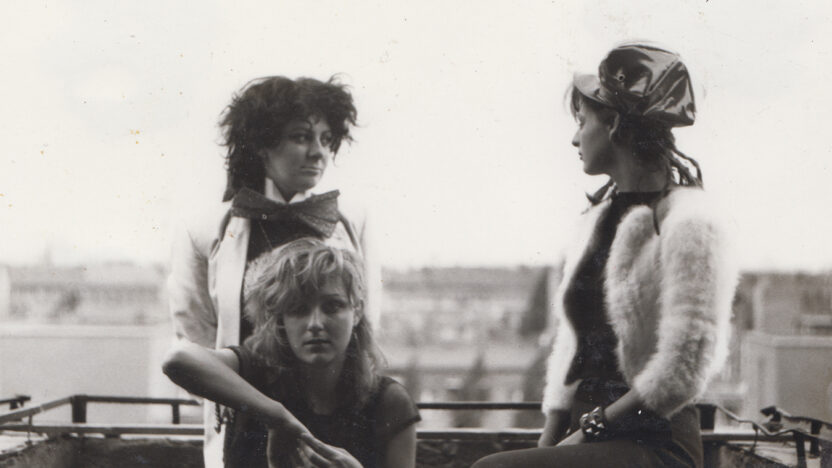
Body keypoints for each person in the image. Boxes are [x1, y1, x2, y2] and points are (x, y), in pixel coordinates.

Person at [473, 43, 738, 467]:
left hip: (654, 442)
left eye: (582, 121)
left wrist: (589, 430)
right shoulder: (594, 221)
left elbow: (683, 370)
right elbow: (572, 349)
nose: (574, 137)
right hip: (588, 435)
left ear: (613, 124)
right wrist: (550, 439)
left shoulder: (690, 224)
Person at [167, 75, 380, 467]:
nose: (318, 152)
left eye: (326, 139)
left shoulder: (351, 221)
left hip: (330, 419)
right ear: (263, 144)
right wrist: (245, 403)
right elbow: (194, 333)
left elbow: (365, 324)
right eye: (301, 137)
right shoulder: (204, 229)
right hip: (244, 419)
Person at [163, 239, 419, 468]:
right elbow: (178, 359)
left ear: (358, 311)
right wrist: (276, 416)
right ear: (281, 319)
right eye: (298, 309)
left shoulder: (388, 403)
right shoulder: (255, 372)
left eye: (332, 306)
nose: (316, 323)